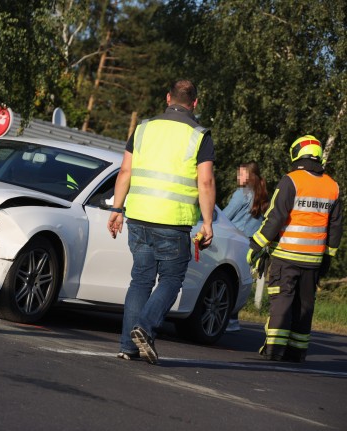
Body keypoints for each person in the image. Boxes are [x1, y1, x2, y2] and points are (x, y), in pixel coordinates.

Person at [108, 79, 216, 365]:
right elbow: (205, 181)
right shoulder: (200, 135)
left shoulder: (143, 129)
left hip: (139, 216)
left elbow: (124, 172)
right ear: (195, 103)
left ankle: (127, 347)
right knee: (171, 279)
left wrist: (117, 208)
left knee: (141, 279)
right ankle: (145, 327)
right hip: (172, 222)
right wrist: (208, 222)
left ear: (168, 98)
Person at [247, 135, 342, 363]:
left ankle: (274, 350)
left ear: (296, 153)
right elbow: (336, 227)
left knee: (282, 300)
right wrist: (327, 257)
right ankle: (297, 350)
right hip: (314, 260)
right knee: (304, 304)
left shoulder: (291, 180)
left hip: (286, 256)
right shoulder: (332, 186)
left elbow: (275, 217)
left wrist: (256, 245)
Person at [222, 161, 269, 332]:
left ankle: (228, 318)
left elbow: (226, 216)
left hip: (234, 241)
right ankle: (233, 318)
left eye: (241, 174)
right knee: (242, 281)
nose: (237, 177)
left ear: (249, 176)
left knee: (226, 278)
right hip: (251, 245)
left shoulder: (241, 194)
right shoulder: (262, 194)